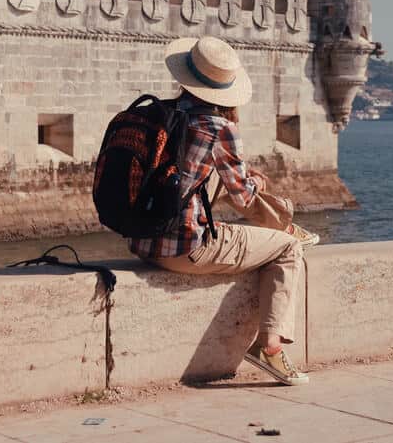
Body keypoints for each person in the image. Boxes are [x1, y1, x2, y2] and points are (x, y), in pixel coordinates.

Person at [128, 35, 309, 386]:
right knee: (289, 250)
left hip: (142, 241)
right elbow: (243, 199)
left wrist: (233, 180)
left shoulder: (160, 116)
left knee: (226, 185)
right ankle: (269, 348)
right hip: (185, 248)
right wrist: (257, 184)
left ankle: (283, 227)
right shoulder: (219, 127)